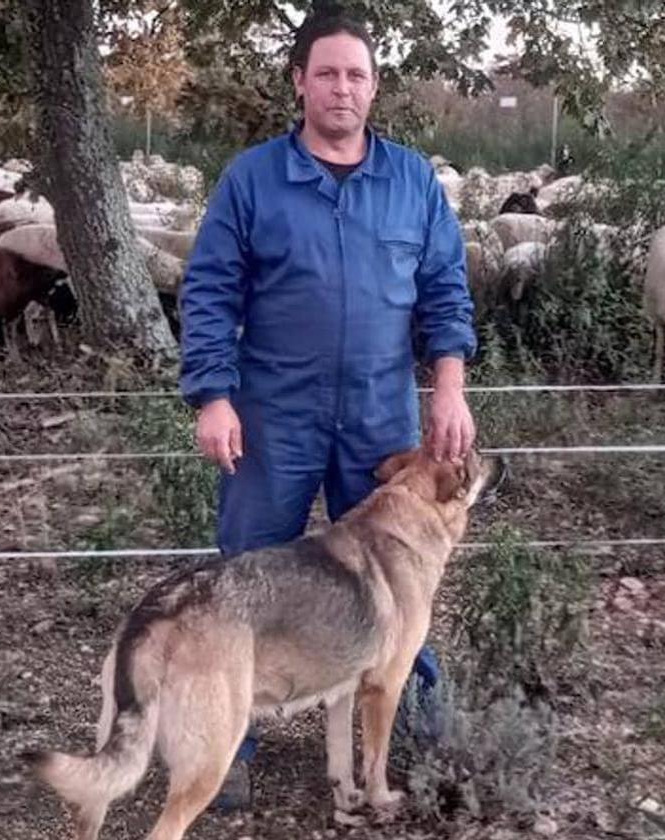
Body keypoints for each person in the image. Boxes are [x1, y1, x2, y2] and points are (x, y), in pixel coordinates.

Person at [177, 12, 477, 811]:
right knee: (247, 576)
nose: (342, 88)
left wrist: (448, 384)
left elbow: (446, 289)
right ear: (300, 82)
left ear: (374, 86)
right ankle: (227, 744)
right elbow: (209, 291)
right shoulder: (253, 179)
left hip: (381, 419)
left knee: (398, 579)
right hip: (274, 415)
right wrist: (213, 394)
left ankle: (412, 725)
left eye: (357, 75)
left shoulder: (411, 182)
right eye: (328, 73)